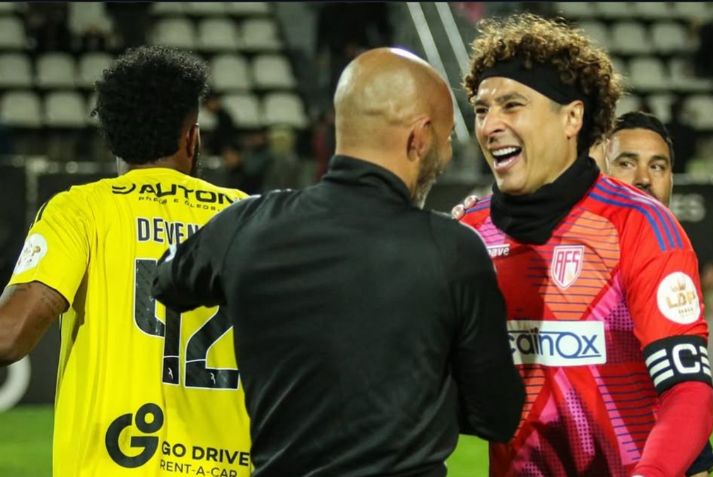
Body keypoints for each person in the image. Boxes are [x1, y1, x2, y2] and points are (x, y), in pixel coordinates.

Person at [152, 47, 525, 476]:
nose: (442, 155)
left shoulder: (246, 225)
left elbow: (167, 282)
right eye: (443, 140)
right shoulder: (455, 250)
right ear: (418, 138)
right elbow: (497, 415)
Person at [459, 13, 713, 476]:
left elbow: (688, 393)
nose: (490, 125)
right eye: (481, 110)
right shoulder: (469, 235)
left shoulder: (640, 225)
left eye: (512, 105)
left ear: (572, 117)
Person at [0, 46, 251, 475]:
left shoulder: (79, 211)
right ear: (192, 137)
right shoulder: (248, 216)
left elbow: (9, 335)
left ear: (113, 140)